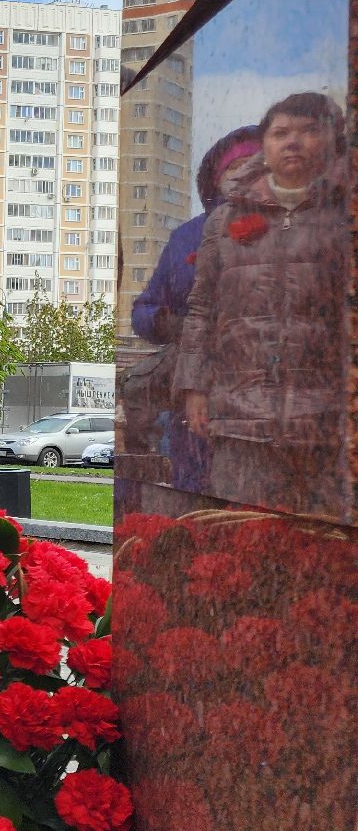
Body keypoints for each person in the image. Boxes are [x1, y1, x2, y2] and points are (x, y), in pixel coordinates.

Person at [175, 92, 349, 516]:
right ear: (265, 146)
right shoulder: (226, 219)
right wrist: (194, 388)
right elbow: (202, 308)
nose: (294, 142)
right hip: (241, 416)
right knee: (242, 537)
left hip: (326, 421)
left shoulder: (344, 214)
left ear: (329, 143)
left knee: (319, 547)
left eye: (309, 131)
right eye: (281, 133)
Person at [129, 126, 260, 491]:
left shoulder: (287, 226)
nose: (242, 174)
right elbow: (144, 308)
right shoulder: (187, 236)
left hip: (254, 387)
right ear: (216, 178)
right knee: (193, 486)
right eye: (233, 167)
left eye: (253, 163)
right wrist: (167, 323)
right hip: (193, 387)